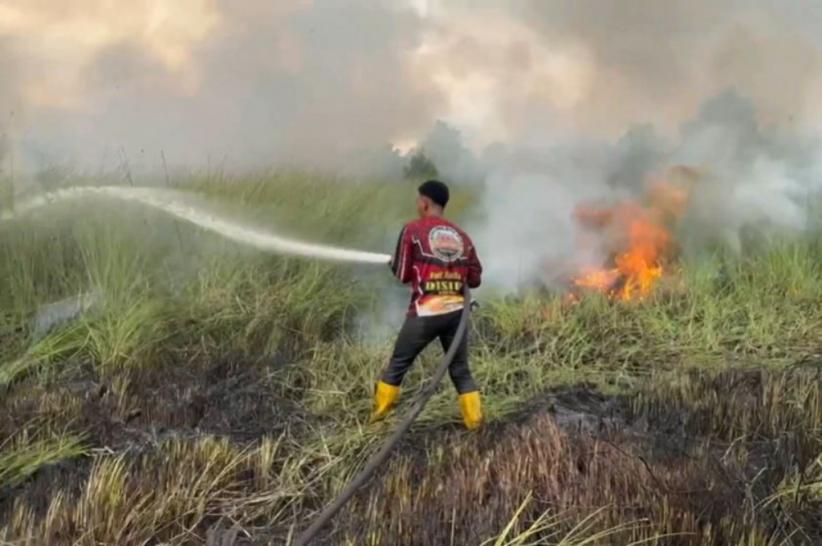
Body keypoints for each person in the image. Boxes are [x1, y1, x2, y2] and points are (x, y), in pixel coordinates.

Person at [371, 179, 484, 430]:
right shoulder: (462, 236)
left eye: (417, 200)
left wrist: (394, 263)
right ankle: (476, 425)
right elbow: (475, 279)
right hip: (456, 314)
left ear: (424, 202)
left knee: (398, 365)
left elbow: (403, 274)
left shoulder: (413, 230)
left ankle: (377, 422)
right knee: (461, 371)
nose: (416, 204)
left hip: (426, 312)